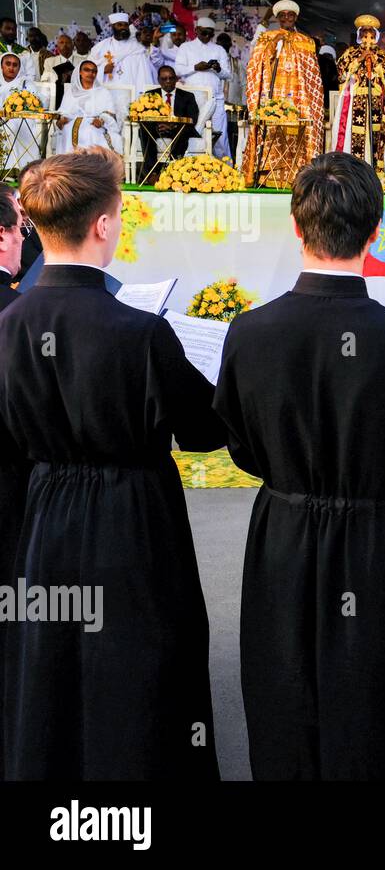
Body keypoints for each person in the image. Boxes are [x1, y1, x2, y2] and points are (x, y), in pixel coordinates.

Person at [213, 152, 385, 779]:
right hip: (380, 531)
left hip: (284, 527)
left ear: (296, 227)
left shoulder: (249, 332)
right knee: (374, 682)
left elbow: (238, 439)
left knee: (283, 676)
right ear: (377, 232)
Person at [0, 147, 225, 779]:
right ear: (104, 224)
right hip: (134, 518)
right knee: (142, 661)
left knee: (52, 663)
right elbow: (206, 431)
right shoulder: (140, 331)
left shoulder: (8, 325)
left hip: (43, 516)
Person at [243, 0, 325, 188]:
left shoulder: (306, 41)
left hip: (299, 98)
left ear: (296, 17)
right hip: (273, 99)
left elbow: (312, 74)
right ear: (278, 18)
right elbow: (255, 63)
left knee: (299, 133)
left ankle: (299, 176)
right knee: (271, 133)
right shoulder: (268, 38)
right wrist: (272, 46)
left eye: (290, 15)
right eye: (282, 15)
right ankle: (267, 176)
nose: (287, 18)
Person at [330, 15, 385, 166]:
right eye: (364, 33)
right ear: (359, 35)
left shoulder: (383, 55)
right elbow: (340, 74)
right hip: (354, 99)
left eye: (371, 33)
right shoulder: (350, 52)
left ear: (375, 36)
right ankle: (350, 166)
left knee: (375, 134)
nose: (367, 37)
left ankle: (373, 166)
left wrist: (377, 65)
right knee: (351, 134)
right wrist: (359, 60)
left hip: (376, 100)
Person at [174, 17, 232, 159]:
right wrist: (195, 67)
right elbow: (178, 71)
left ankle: (226, 169)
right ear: (197, 30)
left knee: (220, 135)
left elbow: (228, 75)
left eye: (210, 34)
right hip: (192, 100)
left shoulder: (219, 50)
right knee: (193, 133)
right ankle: (188, 166)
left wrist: (218, 69)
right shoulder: (186, 47)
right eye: (204, 33)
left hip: (215, 99)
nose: (207, 36)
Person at [135, 65, 200, 185]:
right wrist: (159, 125)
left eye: (171, 78)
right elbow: (143, 116)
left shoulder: (187, 96)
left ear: (176, 79)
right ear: (159, 80)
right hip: (156, 128)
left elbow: (192, 118)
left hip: (178, 129)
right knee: (143, 130)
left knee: (184, 131)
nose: (168, 81)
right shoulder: (150, 95)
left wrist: (172, 126)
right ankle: (152, 173)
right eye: (164, 79)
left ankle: (172, 170)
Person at [56, 60, 120, 154]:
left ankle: (90, 166)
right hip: (72, 123)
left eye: (94, 71)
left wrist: (101, 120)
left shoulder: (103, 92)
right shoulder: (70, 91)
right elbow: (63, 112)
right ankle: (69, 165)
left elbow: (110, 113)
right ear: (80, 72)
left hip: (94, 124)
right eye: (87, 70)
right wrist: (62, 119)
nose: (91, 73)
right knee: (67, 130)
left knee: (89, 131)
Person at [88, 12, 157, 93]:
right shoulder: (100, 48)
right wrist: (102, 70)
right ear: (112, 27)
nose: (123, 28)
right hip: (107, 96)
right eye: (119, 25)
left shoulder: (137, 48)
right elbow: (87, 69)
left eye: (125, 25)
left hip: (132, 95)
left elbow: (144, 74)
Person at [0, 50, 41, 170]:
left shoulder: (25, 83)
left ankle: (21, 169)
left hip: (22, 120)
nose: (11, 67)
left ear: (20, 67)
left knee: (14, 126)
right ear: (1, 66)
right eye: (8, 64)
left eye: (15, 65)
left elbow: (39, 101)